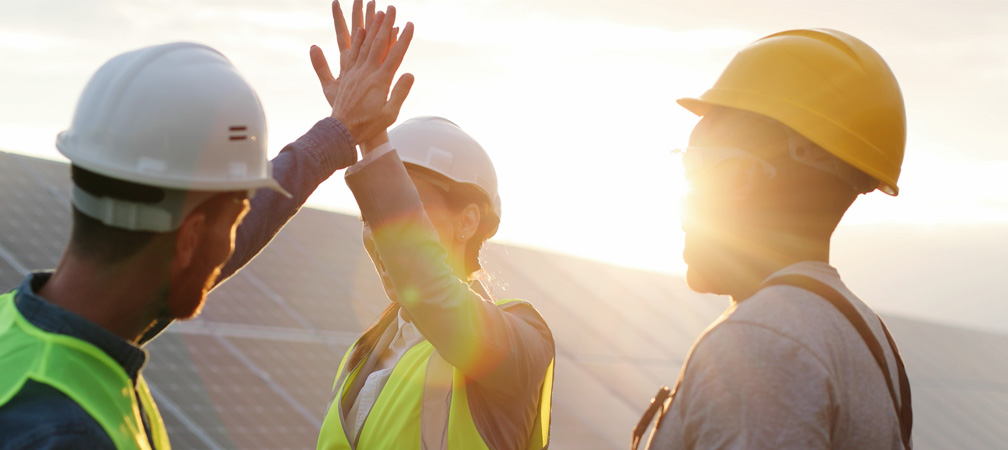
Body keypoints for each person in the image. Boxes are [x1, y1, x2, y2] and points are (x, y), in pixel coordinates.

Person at [0, 6, 413, 448]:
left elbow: (198, 239)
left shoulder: (18, 331)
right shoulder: (69, 433)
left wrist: (337, 133)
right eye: (233, 221)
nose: (231, 244)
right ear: (193, 238)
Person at [633, 29, 913, 449]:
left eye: (701, 168)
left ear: (754, 180)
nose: (681, 205)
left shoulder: (761, 342)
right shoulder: (864, 335)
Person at [313, 114, 555, 450]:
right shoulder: (360, 356)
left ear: (467, 222)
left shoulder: (520, 342)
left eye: (405, 214)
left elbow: (432, 291)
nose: (381, 234)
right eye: (370, 217)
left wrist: (371, 143)